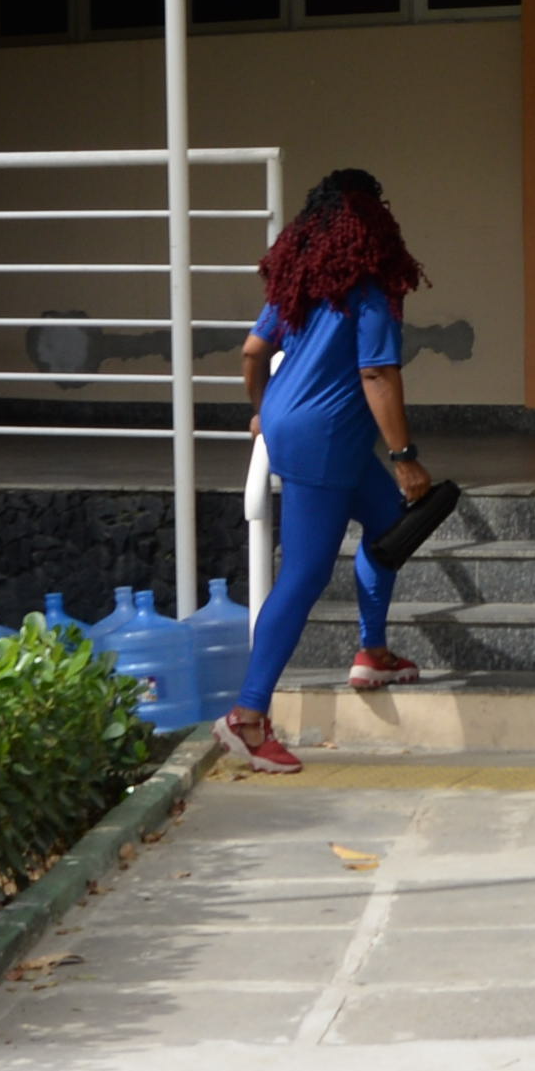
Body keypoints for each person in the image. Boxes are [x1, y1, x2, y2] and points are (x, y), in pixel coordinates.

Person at [219, 168, 451, 773]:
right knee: (304, 573)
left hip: (306, 431)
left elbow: (253, 352)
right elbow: (377, 374)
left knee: (389, 527)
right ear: (376, 224)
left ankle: (372, 652)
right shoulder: (371, 293)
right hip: (323, 443)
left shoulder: (299, 285)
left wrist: (264, 411)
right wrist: (404, 457)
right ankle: (247, 717)